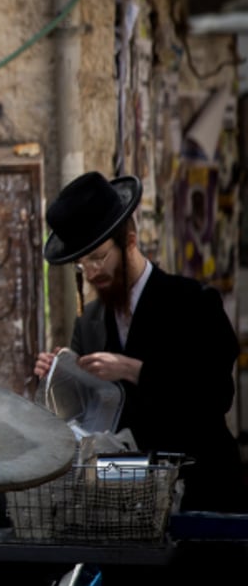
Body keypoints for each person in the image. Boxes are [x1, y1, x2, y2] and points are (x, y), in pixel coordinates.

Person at [33, 171, 245, 513]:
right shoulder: (88, 323)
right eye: (81, 264)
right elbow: (88, 420)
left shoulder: (193, 302)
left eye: (98, 257)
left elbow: (216, 395)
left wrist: (136, 371)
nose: (90, 272)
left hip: (201, 492)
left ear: (130, 241)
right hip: (123, 502)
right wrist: (59, 376)